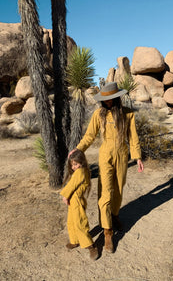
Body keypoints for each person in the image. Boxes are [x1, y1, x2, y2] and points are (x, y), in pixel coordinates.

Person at [68, 82, 144, 253]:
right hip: (105, 156)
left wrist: (137, 156)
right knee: (105, 193)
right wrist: (78, 149)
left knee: (118, 188)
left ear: (117, 97)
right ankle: (108, 232)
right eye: (105, 99)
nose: (108, 102)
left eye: (110, 99)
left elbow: (133, 137)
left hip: (122, 155)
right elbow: (89, 135)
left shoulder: (128, 114)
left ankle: (114, 215)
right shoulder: (98, 114)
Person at [60, 149, 98, 260]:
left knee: (79, 223)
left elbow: (72, 185)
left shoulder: (81, 172)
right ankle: (75, 240)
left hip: (76, 200)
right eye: (72, 165)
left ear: (81, 162)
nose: (73, 167)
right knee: (71, 221)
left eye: (75, 164)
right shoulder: (81, 171)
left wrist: (65, 195)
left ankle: (90, 245)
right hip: (73, 200)